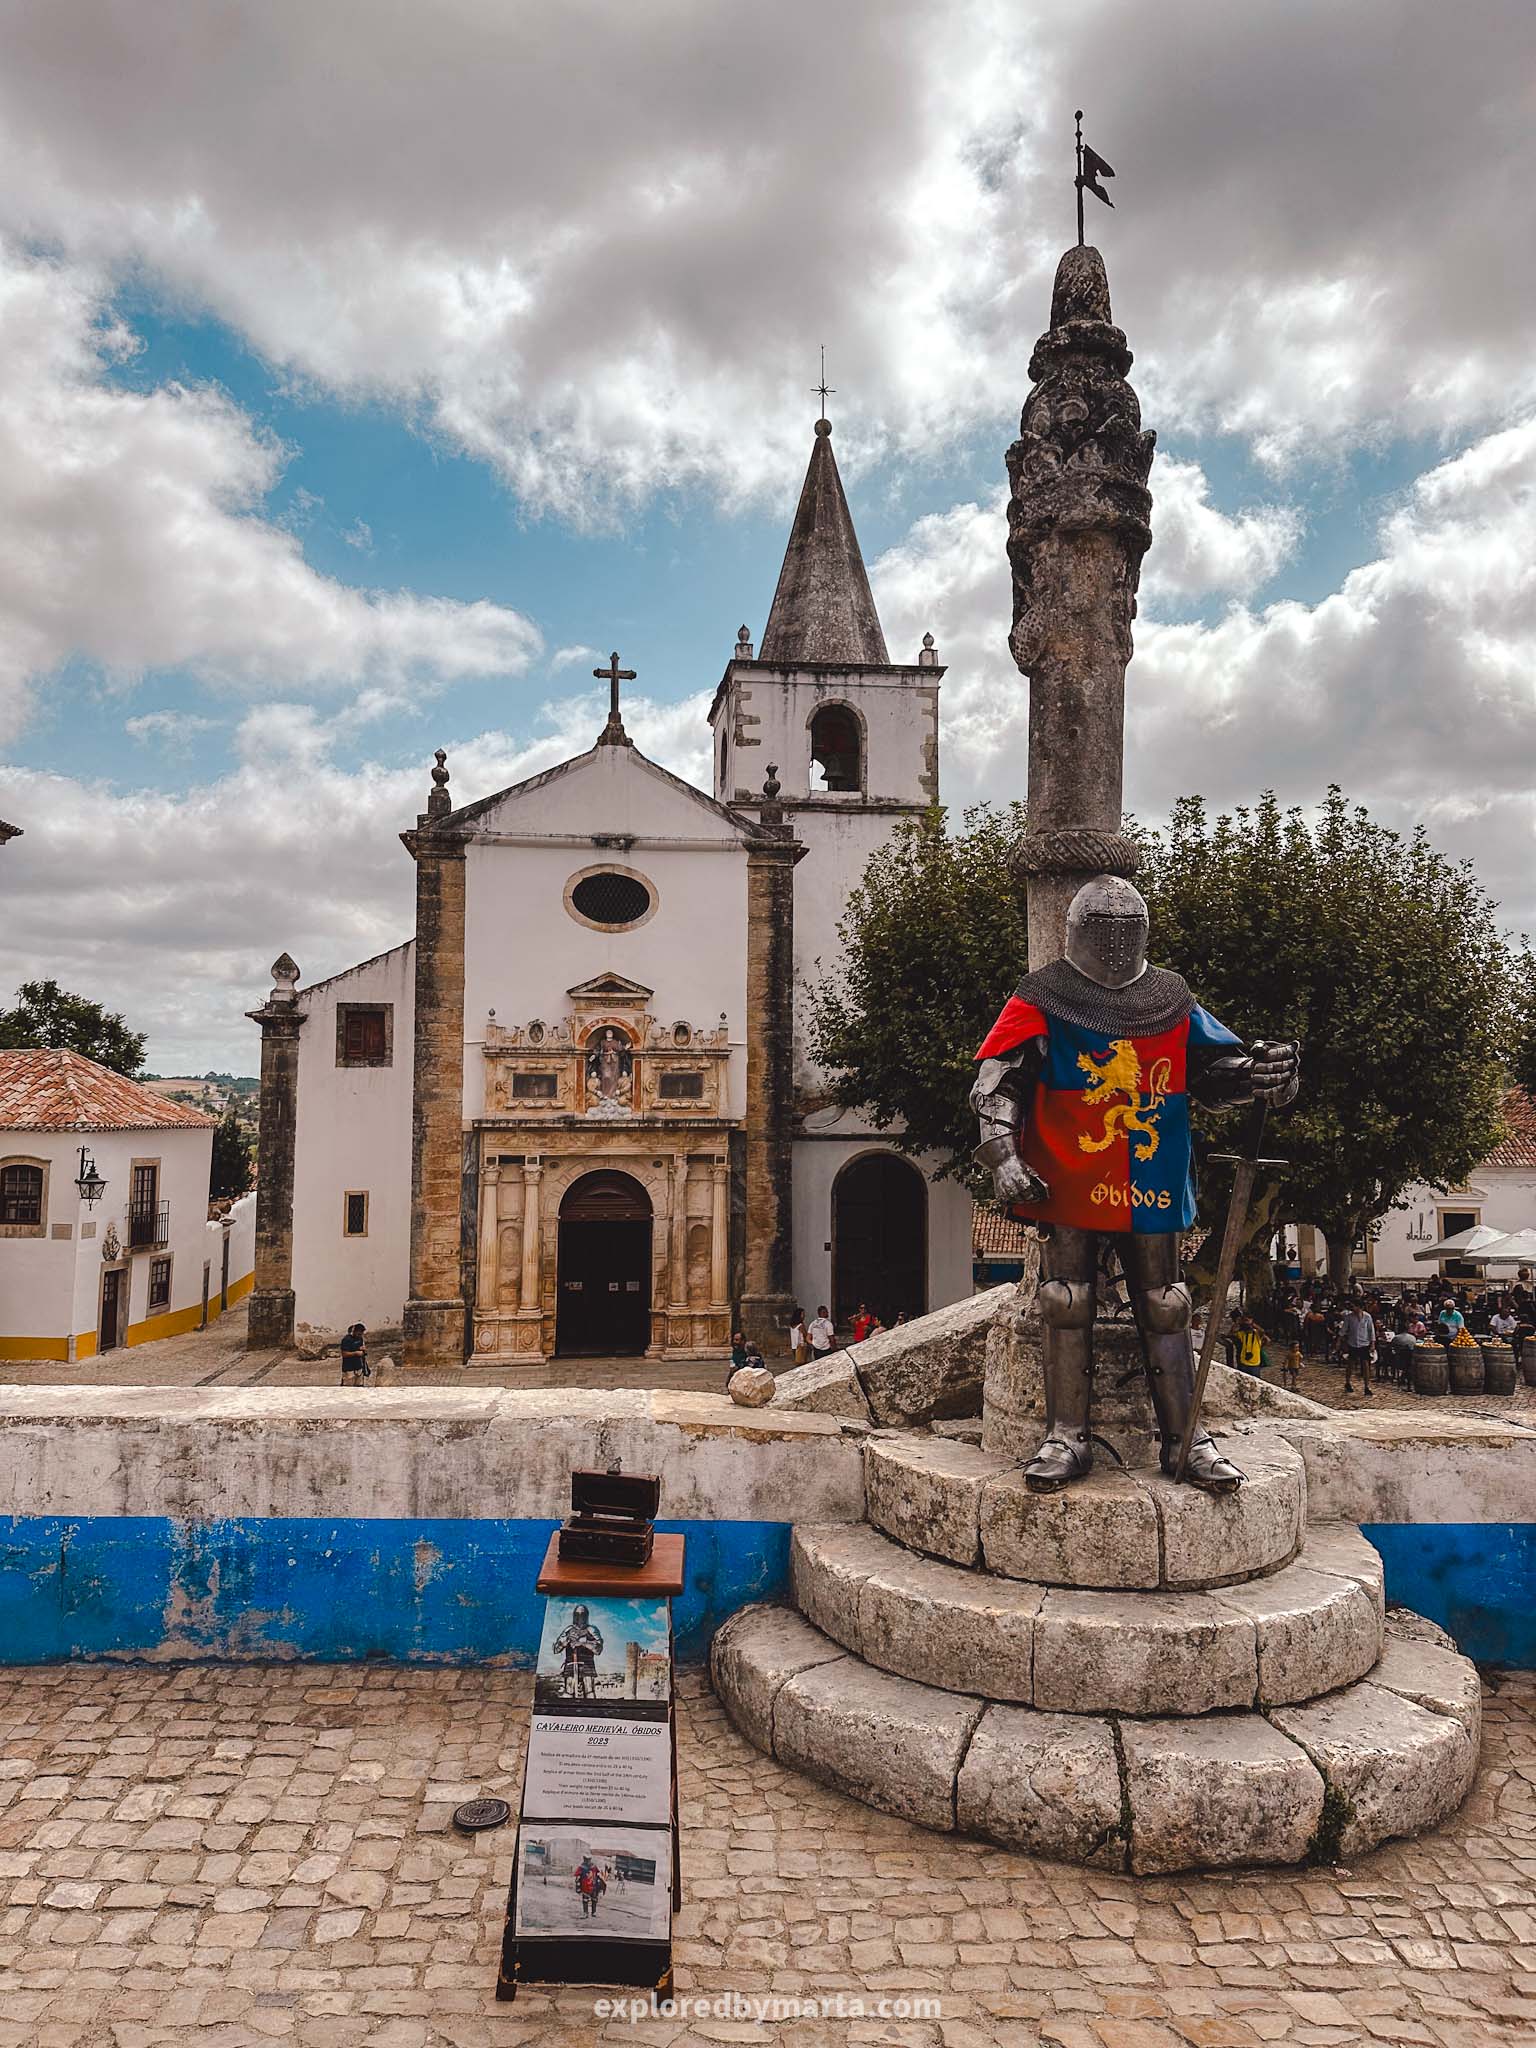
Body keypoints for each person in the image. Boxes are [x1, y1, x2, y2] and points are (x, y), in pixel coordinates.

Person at [971, 872, 1299, 1493]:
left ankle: (1185, 1440)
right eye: (1104, 927)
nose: (1116, 939)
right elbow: (997, 1080)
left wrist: (1261, 1073)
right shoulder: (1043, 995)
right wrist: (1004, 1158)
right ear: (1078, 931)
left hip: (1150, 1170)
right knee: (1065, 1301)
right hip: (1068, 1173)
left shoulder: (1171, 996)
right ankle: (1066, 1434)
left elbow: (1213, 1069)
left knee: (1167, 1304)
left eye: (1127, 926)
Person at [553, 1605, 604, 1701]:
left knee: (589, 1692)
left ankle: (591, 1713)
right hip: (571, 1664)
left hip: (587, 1664)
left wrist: (582, 1643)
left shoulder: (591, 1630)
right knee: (569, 1691)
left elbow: (598, 1649)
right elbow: (556, 1649)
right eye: (577, 1614)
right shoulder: (568, 1630)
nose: (580, 1617)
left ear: (586, 1616)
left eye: (582, 1614)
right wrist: (567, 1640)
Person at [1342, 1297, 1375, 1397]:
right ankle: (1347, 1382)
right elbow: (1344, 1330)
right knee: (1350, 1364)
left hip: (1364, 1343)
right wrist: (1340, 1340)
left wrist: (1372, 1343)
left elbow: (1371, 1330)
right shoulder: (1349, 1317)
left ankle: (1366, 1386)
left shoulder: (1367, 1317)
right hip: (1353, 1343)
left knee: (1365, 1365)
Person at [1233, 1313, 1265, 1377]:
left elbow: (1262, 1331)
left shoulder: (1256, 1334)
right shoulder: (1242, 1334)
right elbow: (1232, 1333)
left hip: (1254, 1364)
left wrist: (1252, 1323)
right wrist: (1237, 1322)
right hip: (1244, 1362)